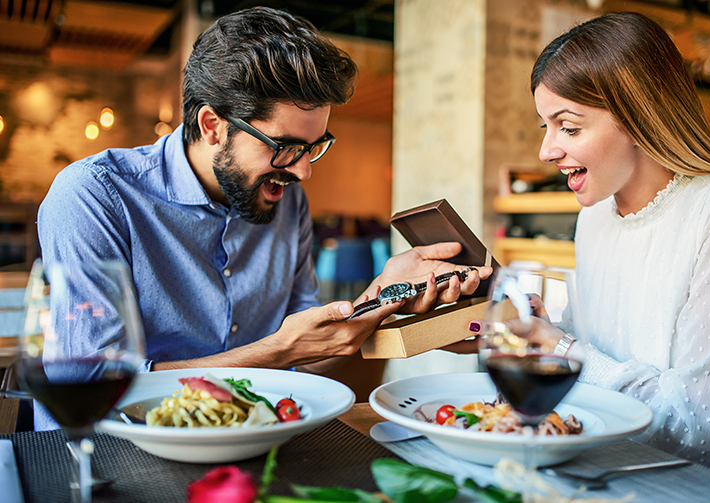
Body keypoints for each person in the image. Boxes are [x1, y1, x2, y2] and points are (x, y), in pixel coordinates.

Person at [36, 7, 490, 431]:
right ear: (213, 125)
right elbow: (88, 384)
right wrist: (278, 350)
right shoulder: (95, 196)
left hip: (255, 444)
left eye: (313, 146)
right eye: (286, 147)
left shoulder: (286, 202)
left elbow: (309, 352)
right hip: (106, 452)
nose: (303, 170)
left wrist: (382, 295)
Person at [490, 12, 710, 481]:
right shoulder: (593, 216)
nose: (547, 151)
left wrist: (565, 350)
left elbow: (706, 428)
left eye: (569, 126)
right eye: (546, 126)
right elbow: (606, 341)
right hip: (611, 456)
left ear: (639, 116)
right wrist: (541, 334)